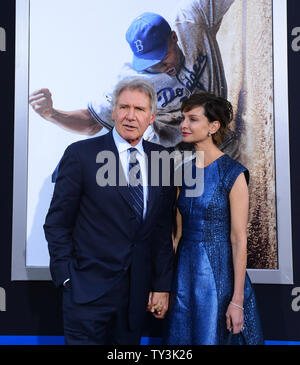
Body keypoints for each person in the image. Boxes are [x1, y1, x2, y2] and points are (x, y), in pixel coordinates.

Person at [43, 78, 176, 345]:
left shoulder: (161, 158)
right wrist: (67, 277)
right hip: (86, 294)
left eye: (139, 109)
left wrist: (161, 286)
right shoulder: (81, 154)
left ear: (151, 117)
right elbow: (57, 223)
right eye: (124, 107)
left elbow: (162, 229)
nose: (130, 116)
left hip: (135, 300)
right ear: (113, 112)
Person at [29, 0, 237, 155]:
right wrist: (52, 114)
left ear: (173, 37)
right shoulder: (133, 83)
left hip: (220, 131)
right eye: (153, 63)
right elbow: (92, 122)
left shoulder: (191, 19)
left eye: (164, 57)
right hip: (178, 153)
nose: (164, 68)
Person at [163, 92, 264, 345]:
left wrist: (237, 300)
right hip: (184, 276)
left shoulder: (233, 173)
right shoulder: (182, 172)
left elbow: (239, 239)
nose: (184, 125)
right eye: (183, 118)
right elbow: (177, 236)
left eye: (193, 119)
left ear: (213, 126)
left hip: (219, 278)